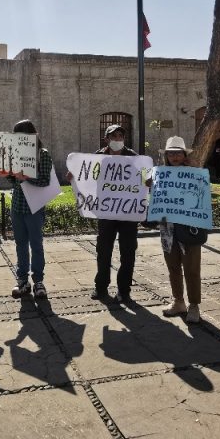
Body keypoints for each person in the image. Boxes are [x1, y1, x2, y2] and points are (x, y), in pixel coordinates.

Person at [0, 119, 52, 300]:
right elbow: (14, 182)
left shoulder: (42, 154)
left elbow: (45, 181)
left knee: (36, 244)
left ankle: (38, 281)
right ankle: (22, 280)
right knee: (20, 244)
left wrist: (25, 177)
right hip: (18, 205)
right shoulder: (15, 153)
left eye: (21, 134)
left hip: (34, 206)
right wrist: (8, 174)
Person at [91, 124, 139, 304]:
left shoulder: (133, 157)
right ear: (106, 139)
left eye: (120, 136)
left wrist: (147, 180)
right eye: (114, 136)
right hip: (106, 211)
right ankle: (101, 286)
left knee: (128, 251)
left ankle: (124, 290)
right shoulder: (97, 157)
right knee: (103, 251)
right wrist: (75, 178)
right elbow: (88, 178)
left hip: (128, 212)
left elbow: (142, 180)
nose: (117, 139)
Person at [158, 137, 204, 323]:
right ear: (166, 156)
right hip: (168, 228)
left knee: (192, 268)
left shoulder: (195, 173)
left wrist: (195, 169)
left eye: (178, 153)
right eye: (171, 153)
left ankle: (194, 305)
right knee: (173, 267)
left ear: (184, 155)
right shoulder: (160, 174)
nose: (174, 156)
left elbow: (202, 195)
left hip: (189, 226)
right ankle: (178, 301)